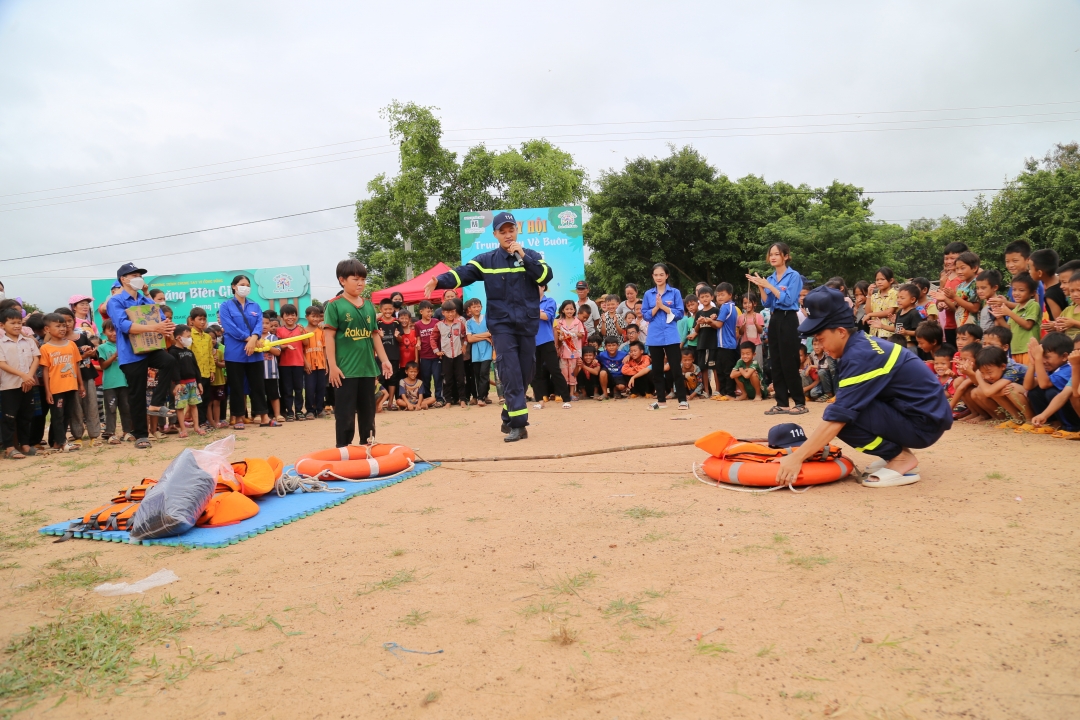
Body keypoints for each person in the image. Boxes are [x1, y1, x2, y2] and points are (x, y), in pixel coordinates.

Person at [774, 287, 953, 488]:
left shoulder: (860, 356)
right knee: (843, 409)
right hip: (920, 416)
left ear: (841, 331)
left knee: (843, 418)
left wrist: (797, 457)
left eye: (821, 339)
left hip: (924, 424)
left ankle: (900, 458)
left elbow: (838, 417)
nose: (820, 346)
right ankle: (898, 454)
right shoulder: (858, 346)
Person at [324, 259, 395, 447]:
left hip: (368, 369)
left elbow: (374, 335)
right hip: (344, 371)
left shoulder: (370, 306)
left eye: (363, 279)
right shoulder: (334, 305)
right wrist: (332, 366)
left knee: (368, 415)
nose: (360, 283)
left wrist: (385, 361)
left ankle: (367, 447)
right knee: (345, 416)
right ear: (342, 280)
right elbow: (328, 337)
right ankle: (344, 450)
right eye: (355, 279)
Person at [106, 262, 176, 449]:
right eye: (134, 274)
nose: (138, 278)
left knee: (168, 361)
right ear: (123, 279)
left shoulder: (145, 300)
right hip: (130, 354)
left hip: (150, 347)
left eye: (140, 275)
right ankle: (141, 435)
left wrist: (168, 327)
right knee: (136, 394)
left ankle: (155, 404)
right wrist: (155, 327)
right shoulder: (116, 301)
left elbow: (160, 317)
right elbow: (124, 326)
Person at [747, 242, 807, 415]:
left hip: (789, 319)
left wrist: (769, 286)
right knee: (776, 362)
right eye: (771, 254)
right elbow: (767, 303)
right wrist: (760, 285)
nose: (772, 257)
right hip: (775, 319)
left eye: (777, 254)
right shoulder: (771, 278)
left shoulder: (793, 276)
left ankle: (799, 402)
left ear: (786, 256)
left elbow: (788, 300)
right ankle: (782, 403)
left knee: (790, 361)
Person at [218, 274, 275, 428]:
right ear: (234, 286)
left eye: (248, 285)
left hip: (254, 352)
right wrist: (248, 339)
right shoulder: (225, 306)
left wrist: (254, 338)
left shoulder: (255, 306)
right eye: (242, 284)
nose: (246, 287)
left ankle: (263, 416)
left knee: (258, 385)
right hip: (235, 352)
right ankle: (238, 417)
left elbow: (258, 324)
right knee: (236, 386)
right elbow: (229, 327)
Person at [640, 263, 687, 410]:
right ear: (652, 277)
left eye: (661, 274)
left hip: (671, 336)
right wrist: (656, 307)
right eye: (656, 275)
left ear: (667, 275)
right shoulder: (648, 294)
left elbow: (679, 313)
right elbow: (646, 315)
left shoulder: (675, 292)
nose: (658, 277)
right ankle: (661, 401)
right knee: (657, 370)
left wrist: (664, 307)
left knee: (676, 369)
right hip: (654, 337)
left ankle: (682, 400)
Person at [39, 313, 84, 452]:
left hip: (71, 386)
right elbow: (45, 371)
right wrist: (48, 391)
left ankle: (58, 442)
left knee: (67, 414)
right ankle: (61, 441)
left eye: (63, 325)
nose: (62, 328)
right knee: (57, 415)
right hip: (56, 389)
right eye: (57, 326)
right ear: (47, 329)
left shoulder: (71, 345)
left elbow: (76, 366)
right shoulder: (45, 348)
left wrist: (81, 385)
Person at [0, 307, 40, 458]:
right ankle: (9, 448)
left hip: (27, 384)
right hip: (9, 386)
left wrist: (29, 376)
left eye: (19, 323)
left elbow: (36, 358)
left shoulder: (28, 342)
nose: (17, 326)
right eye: (12, 323)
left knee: (26, 415)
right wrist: (23, 375)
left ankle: (25, 444)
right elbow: (2, 363)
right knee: (9, 417)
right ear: (2, 325)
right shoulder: (1, 343)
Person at [1026, 333, 1078, 432]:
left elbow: (1044, 384)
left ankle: (1071, 427)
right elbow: (1028, 386)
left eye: (1047, 357)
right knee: (1034, 392)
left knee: (1051, 392)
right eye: (1042, 357)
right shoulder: (1050, 367)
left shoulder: (1069, 368)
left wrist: (1038, 359)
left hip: (1073, 411)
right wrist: (1032, 363)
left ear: (1064, 356)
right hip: (1060, 401)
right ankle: (1051, 423)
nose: (1043, 361)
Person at [531, 284, 572, 409]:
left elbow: (546, 316)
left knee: (554, 370)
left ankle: (566, 398)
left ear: (543, 287)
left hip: (546, 341)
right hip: (531, 342)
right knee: (535, 372)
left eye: (537, 286)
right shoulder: (528, 301)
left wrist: (531, 311)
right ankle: (539, 400)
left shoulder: (550, 301)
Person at [989, 272, 1039, 366]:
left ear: (1032, 293)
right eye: (1014, 290)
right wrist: (999, 317)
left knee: (1029, 376)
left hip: (1028, 349)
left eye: (1021, 290)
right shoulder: (1016, 309)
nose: (1016, 293)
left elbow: (1028, 325)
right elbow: (1009, 329)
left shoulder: (1033, 305)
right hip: (1015, 350)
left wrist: (1009, 312)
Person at [97, 320, 133, 444]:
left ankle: (127, 432)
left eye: (116, 330)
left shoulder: (126, 344)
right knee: (111, 409)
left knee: (126, 408)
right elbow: (102, 366)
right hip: (110, 384)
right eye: (110, 330)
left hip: (125, 382)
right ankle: (111, 433)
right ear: (104, 332)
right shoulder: (102, 347)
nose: (114, 333)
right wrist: (113, 357)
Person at [168, 325, 206, 438]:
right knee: (180, 406)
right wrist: (177, 383)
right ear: (179, 338)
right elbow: (174, 369)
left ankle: (196, 427)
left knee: (194, 405)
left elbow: (196, 367)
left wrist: (199, 381)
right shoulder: (173, 352)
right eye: (188, 336)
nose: (190, 339)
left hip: (193, 382)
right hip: (181, 384)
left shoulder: (189, 352)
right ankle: (183, 429)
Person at [276, 303, 307, 421]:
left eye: (293, 315)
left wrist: (303, 332)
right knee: (287, 390)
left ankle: (299, 411)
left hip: (298, 363)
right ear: (282, 317)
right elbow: (278, 345)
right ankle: (289, 411)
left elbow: (306, 344)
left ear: (296, 316)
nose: (290, 317)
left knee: (298, 389)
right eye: (287, 315)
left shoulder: (300, 329)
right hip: (284, 364)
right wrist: (285, 346)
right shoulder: (279, 331)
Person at [436, 299, 468, 408]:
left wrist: (464, 346)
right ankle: (448, 401)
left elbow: (465, 336)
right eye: (447, 312)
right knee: (447, 379)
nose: (450, 314)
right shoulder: (439, 325)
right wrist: (437, 351)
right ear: (443, 313)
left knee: (460, 378)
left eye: (452, 312)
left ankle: (462, 399)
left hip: (458, 355)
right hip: (446, 356)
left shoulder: (460, 324)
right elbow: (433, 338)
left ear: (455, 311)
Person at [188, 307, 214, 430]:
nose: (202, 322)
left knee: (206, 398)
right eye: (200, 319)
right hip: (194, 373)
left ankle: (203, 422)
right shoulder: (189, 335)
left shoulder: (208, 337)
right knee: (196, 399)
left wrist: (212, 370)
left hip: (206, 373)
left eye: (204, 319)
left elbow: (210, 355)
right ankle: (200, 423)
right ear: (192, 321)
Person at [712, 282, 739, 401]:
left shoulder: (725, 307)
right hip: (727, 344)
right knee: (721, 369)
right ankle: (723, 392)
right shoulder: (733, 307)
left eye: (722, 294)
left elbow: (718, 324)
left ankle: (729, 393)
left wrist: (708, 321)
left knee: (726, 371)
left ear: (730, 295)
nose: (720, 297)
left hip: (726, 345)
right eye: (718, 295)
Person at [414, 301, 443, 407]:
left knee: (437, 378)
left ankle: (439, 398)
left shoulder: (436, 322)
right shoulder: (417, 324)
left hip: (436, 355)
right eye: (427, 311)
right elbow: (418, 338)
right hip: (424, 355)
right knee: (425, 378)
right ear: (421, 311)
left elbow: (440, 336)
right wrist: (418, 344)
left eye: (431, 311)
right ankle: (427, 398)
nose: (430, 313)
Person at [556, 300, 585, 399]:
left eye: (571, 309)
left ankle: (572, 393)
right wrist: (560, 337)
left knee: (572, 373)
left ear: (574, 310)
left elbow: (582, 334)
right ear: (563, 310)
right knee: (563, 373)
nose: (569, 311)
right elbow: (557, 335)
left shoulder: (578, 322)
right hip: (563, 352)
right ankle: (564, 393)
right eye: (567, 309)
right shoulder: (559, 322)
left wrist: (573, 334)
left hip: (574, 352)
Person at [465, 299, 492, 406]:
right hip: (475, 352)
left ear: (481, 307)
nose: (476, 309)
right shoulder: (468, 322)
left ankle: (481, 398)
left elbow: (491, 333)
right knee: (477, 375)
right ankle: (483, 395)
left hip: (487, 350)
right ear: (469, 309)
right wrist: (485, 336)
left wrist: (476, 335)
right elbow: (469, 339)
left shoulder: (487, 318)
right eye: (474, 307)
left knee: (484, 374)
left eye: (478, 306)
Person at [303, 305, 329, 418]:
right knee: (309, 388)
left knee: (321, 388)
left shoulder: (321, 331)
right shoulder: (302, 331)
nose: (316, 319)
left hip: (321, 364)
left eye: (318, 317)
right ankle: (309, 410)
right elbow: (301, 349)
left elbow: (324, 347)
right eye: (313, 316)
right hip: (309, 365)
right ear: (307, 317)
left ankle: (320, 409)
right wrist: (305, 363)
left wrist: (326, 364)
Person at [377, 299, 403, 410]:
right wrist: (380, 337)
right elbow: (373, 338)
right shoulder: (378, 322)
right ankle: (380, 402)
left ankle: (390, 402)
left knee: (393, 379)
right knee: (381, 379)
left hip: (394, 355)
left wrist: (397, 336)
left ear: (393, 309)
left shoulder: (397, 322)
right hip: (381, 357)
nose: (388, 311)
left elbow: (401, 339)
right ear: (380, 309)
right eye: (385, 309)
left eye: (390, 309)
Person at [694, 285, 719, 397]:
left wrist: (709, 321)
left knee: (714, 367)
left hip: (713, 343)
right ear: (699, 299)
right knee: (703, 368)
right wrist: (699, 323)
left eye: (707, 296)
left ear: (712, 297)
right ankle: (706, 391)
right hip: (701, 344)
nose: (704, 299)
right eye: (702, 297)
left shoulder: (716, 311)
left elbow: (717, 326)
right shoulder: (698, 313)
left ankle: (717, 390)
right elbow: (696, 330)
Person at [1029, 249, 1065, 320]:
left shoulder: (1051, 295)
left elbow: (1060, 323)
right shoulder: (1063, 282)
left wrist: (1052, 326)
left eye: (1030, 268)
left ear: (1039, 273)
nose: (1029, 271)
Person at [259, 314, 283, 422]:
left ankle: (277, 414)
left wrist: (267, 347)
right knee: (259, 395)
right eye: (261, 323)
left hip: (271, 372)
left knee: (274, 394)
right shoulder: (254, 338)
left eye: (267, 323)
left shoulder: (273, 337)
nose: (264, 325)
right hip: (257, 373)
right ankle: (259, 415)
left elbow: (278, 352)